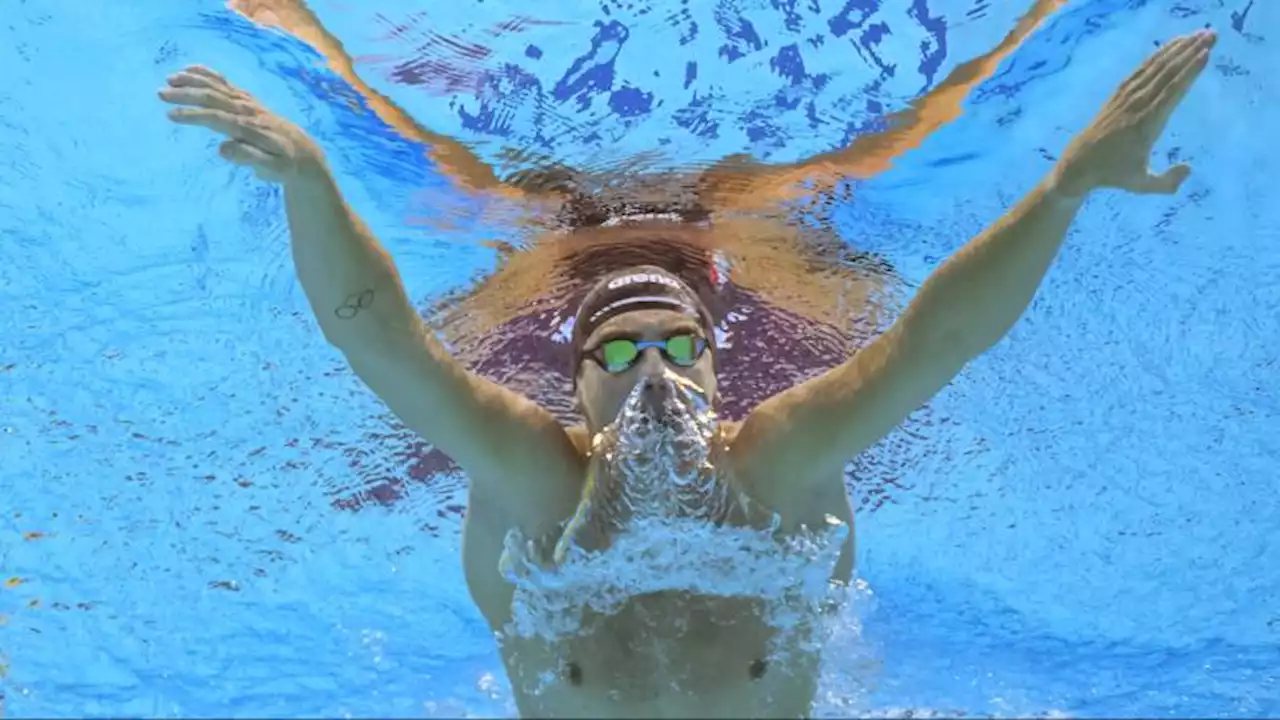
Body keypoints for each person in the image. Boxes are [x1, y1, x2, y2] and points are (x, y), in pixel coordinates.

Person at [160, 28, 1216, 718]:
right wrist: (309, 180)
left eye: (673, 343)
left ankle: (1015, 46)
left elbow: (934, 340)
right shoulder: (534, 483)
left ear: (718, 367)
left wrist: (1069, 186)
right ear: (569, 384)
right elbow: (380, 341)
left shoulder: (778, 464)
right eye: (614, 350)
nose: (650, 366)